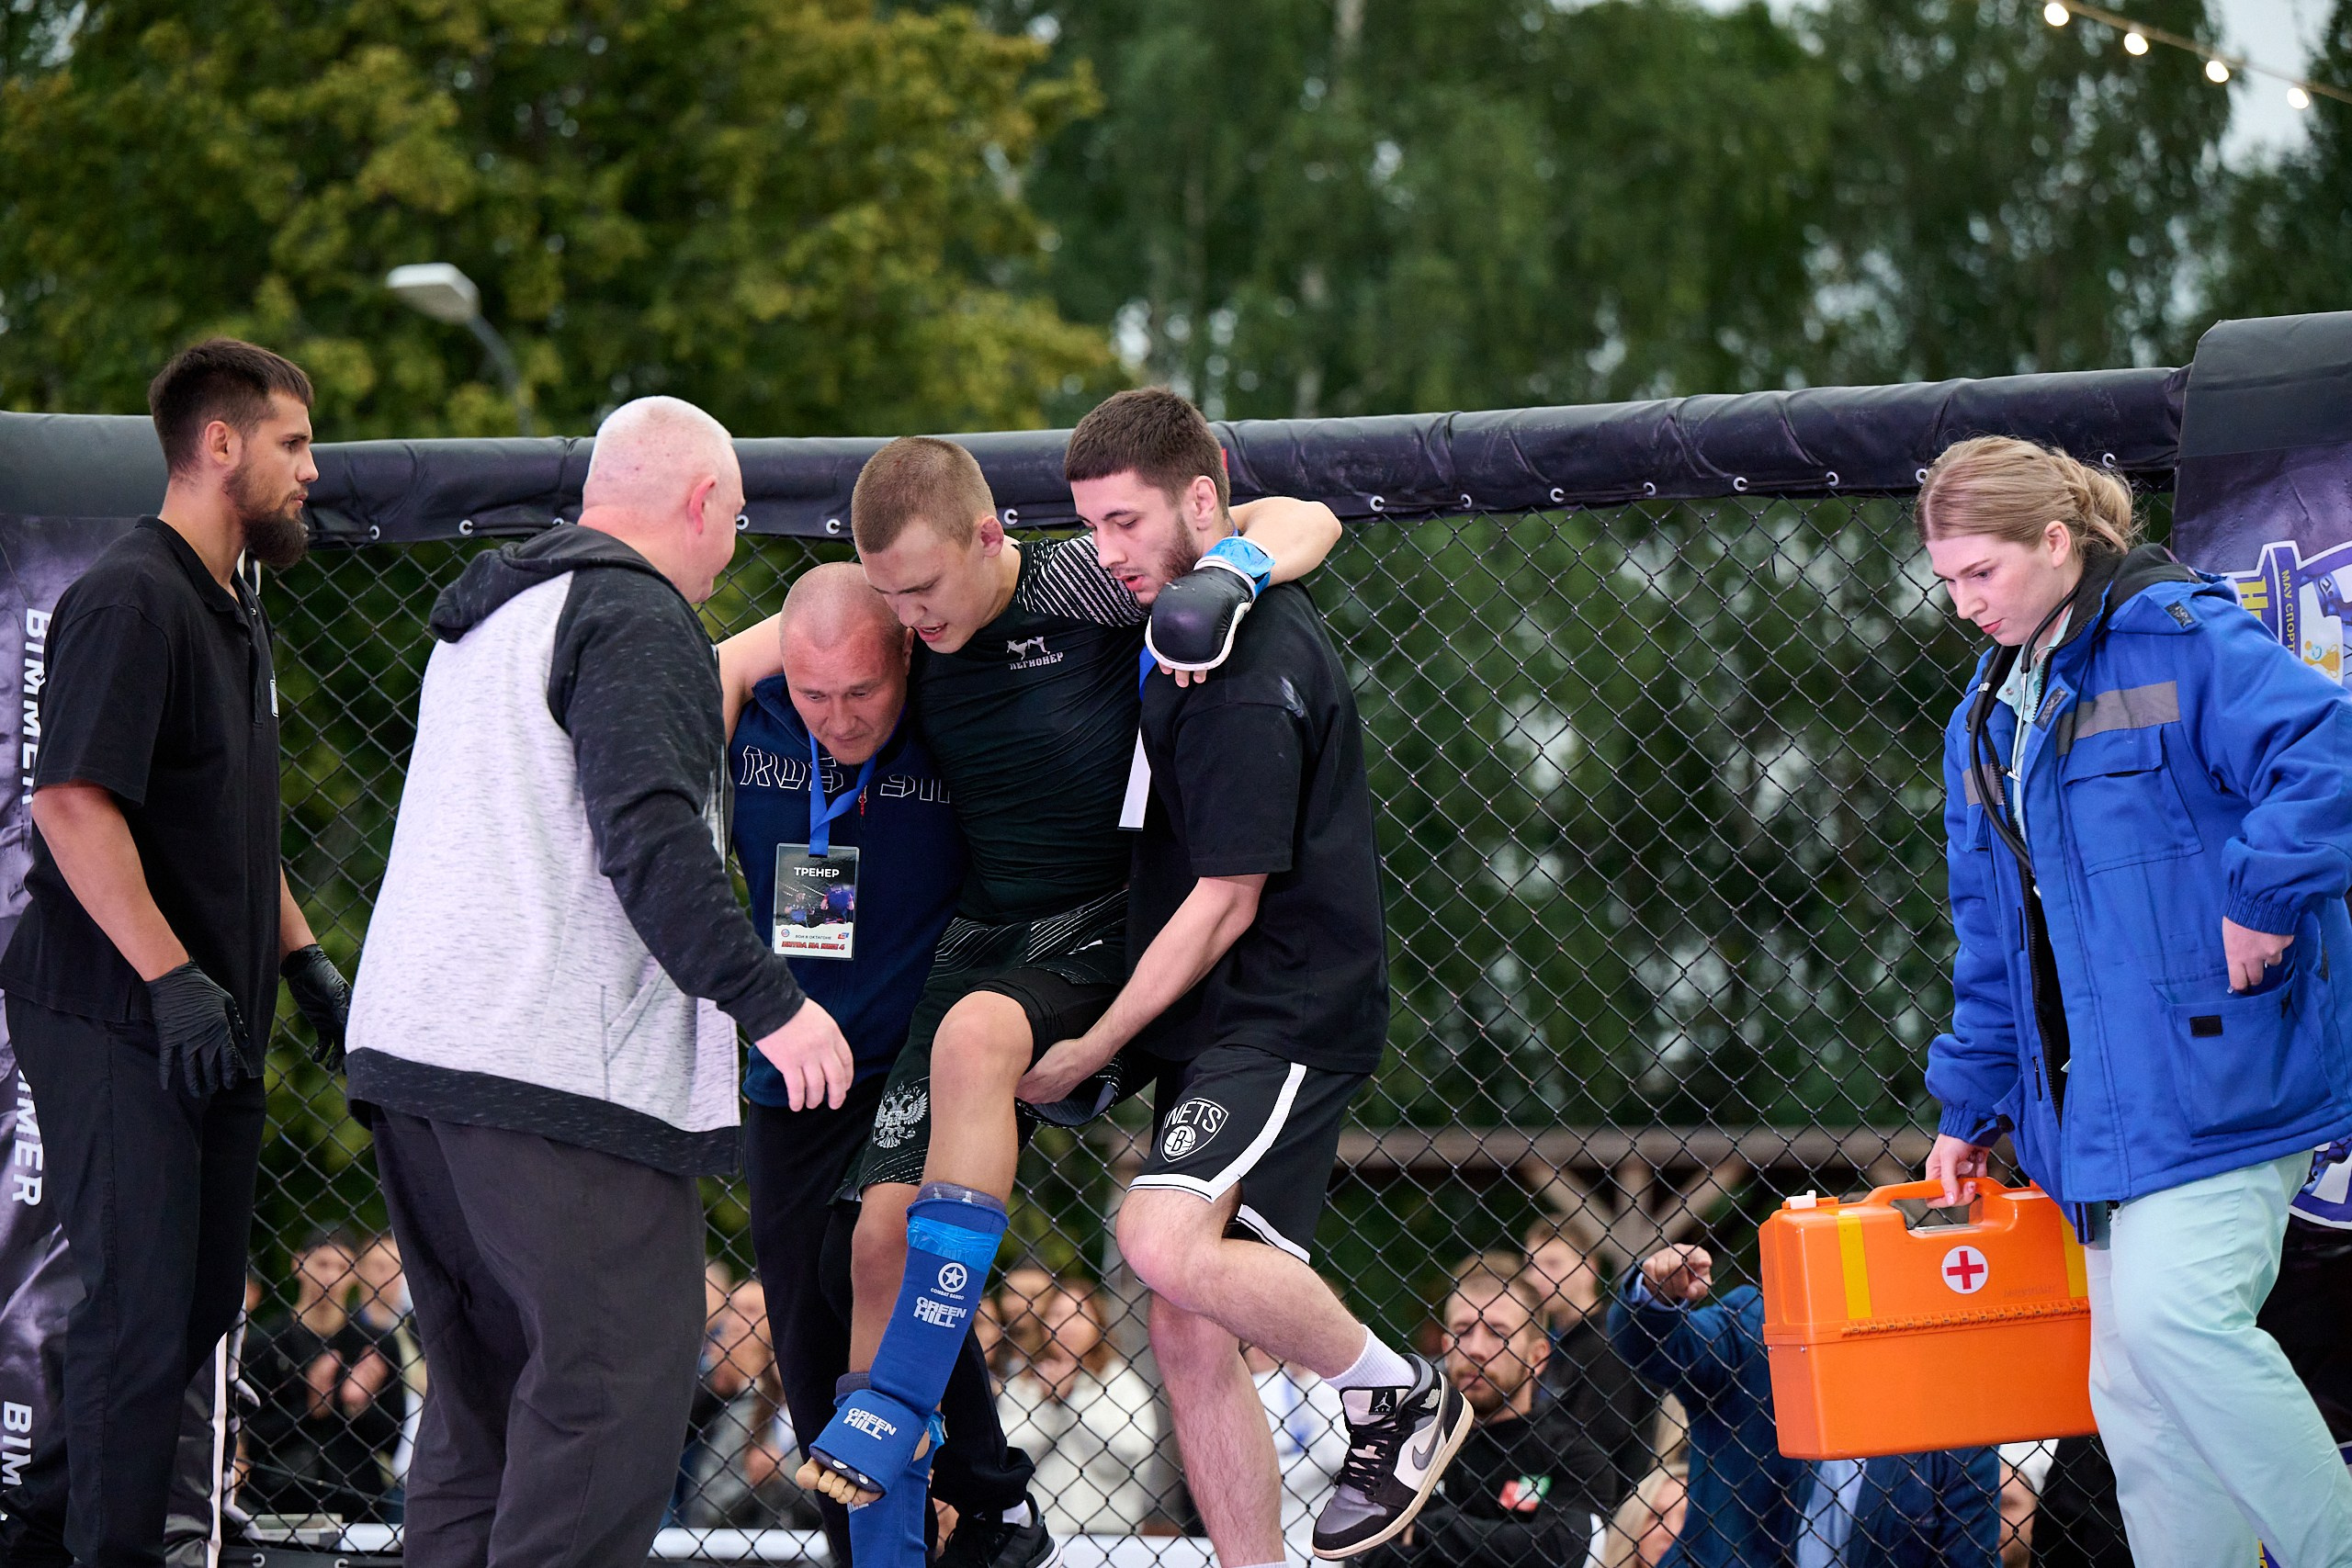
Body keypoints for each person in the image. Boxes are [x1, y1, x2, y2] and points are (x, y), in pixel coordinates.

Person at [783, 429, 1340, 1555]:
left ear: (991, 536)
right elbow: (757, 646)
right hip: (981, 936)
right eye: (892, 595)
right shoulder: (894, 610)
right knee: (873, 1242)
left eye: (928, 588)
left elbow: (1299, 519)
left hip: (1101, 930)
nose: (914, 618)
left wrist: (1228, 578)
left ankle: (894, 1404)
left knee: (980, 1039)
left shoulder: (1079, 576)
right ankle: (885, 1538)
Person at [344, 396, 854, 1568]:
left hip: (422, 1058)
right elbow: (651, 842)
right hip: (556, 1072)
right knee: (611, 1392)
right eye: (730, 519)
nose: (730, 549)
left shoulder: (500, 617)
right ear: (699, 503)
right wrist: (772, 1006)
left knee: (483, 1406)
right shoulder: (634, 614)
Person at [1001, 386, 1470, 1567]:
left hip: (1283, 1009)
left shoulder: (1244, 671)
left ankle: (1399, 1390)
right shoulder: (1194, 606)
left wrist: (1097, 1041)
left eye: (1123, 524)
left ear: (1199, 503)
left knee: (1158, 1241)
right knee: (1186, 1323)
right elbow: (1291, 516)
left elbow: (1224, 903)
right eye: (1090, 527)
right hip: (1229, 1020)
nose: (1104, 557)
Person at [1916, 435, 2352, 1567]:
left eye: (1982, 573)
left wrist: (2261, 892)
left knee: (2176, 1327)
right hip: (2094, 1114)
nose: (1964, 604)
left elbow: (2329, 749)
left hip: (2219, 1074)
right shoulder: (1984, 714)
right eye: (1948, 580)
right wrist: (1967, 1109)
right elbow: (1992, 940)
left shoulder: (2175, 630)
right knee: (2136, 1397)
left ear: (2056, 542)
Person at [0, 338, 351, 1568]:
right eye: (294, 442)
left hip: (208, 1016)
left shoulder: (230, 606)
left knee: (194, 1306)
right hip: (111, 1008)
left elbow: (232, 829)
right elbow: (72, 804)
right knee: (140, 1315)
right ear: (220, 443)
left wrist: (304, 962)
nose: (313, 468)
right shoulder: (130, 595)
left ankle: (45, 1520)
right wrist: (169, 977)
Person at [712, 563, 1049, 1567]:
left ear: (905, 653)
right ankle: (877, 1548)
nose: (838, 719)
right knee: (812, 1356)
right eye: (815, 692)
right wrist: (782, 651)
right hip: (792, 1072)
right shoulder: (750, 717)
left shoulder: (954, 715)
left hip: (917, 1062)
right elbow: (692, 668)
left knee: (871, 1258)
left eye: (862, 691)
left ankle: (989, 1504)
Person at [1610, 1243, 2000, 1568]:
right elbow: (1653, 1348)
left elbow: (1969, 1556)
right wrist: (1656, 1296)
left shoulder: (1952, 1412)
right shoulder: (1755, 1330)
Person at [1359, 1260, 1611, 1568]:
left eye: (1497, 1334)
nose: (1475, 1349)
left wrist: (1431, 1528)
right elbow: (1364, 1556)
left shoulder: (1575, 1457)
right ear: (1447, 1345)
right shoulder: (1401, 1443)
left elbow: (1562, 1551)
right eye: (1463, 1332)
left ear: (1537, 1356)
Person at [242, 1233, 397, 1523]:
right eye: (322, 1263)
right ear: (298, 1264)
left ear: (355, 1274)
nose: (331, 1276)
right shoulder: (265, 1343)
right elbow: (251, 1436)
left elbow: (394, 1442)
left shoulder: (375, 1345)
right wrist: (311, 1410)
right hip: (279, 1501)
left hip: (359, 1502)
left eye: (342, 1267)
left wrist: (358, 1408)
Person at [993, 1275, 1162, 1540]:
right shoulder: (1024, 1383)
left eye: (1079, 1316)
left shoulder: (1118, 1380)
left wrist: (1071, 1400)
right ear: (1043, 1323)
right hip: (1036, 1531)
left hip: (1108, 1531)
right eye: (1057, 1314)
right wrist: (1049, 1406)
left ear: (1098, 1324)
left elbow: (1130, 1451)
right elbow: (1005, 1450)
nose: (1067, 1326)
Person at [1524, 1218, 1657, 1499]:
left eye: (1552, 1264)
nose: (1537, 1277)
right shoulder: (1555, 1344)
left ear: (1589, 1269)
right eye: (1531, 1264)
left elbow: (1603, 1440)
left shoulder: (1608, 1342)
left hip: (1605, 1502)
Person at [684, 1280, 818, 1529]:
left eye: (750, 1311)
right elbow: (708, 1501)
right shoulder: (735, 1409)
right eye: (731, 1309)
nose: (735, 1322)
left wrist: (783, 1477)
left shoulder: (825, 1418)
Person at [1243, 1344, 1350, 1563]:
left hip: (1319, 1535)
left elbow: (1339, 1452)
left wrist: (1308, 1379)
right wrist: (1314, 1463)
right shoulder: (1255, 1389)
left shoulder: (1323, 1386)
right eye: (1247, 1342)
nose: (1256, 1350)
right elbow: (1246, 1477)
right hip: (1270, 1533)